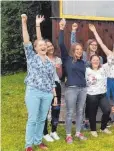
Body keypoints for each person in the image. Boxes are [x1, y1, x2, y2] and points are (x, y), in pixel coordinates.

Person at [21, 14, 56, 151]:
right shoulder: (31, 57)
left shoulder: (50, 63)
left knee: (42, 119)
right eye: (40, 45)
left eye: (44, 46)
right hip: (33, 91)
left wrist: (54, 95)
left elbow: (51, 79)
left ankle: (38, 141)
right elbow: (27, 40)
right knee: (33, 119)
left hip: (47, 94)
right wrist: (25, 23)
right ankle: (28, 145)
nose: (43, 46)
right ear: (35, 48)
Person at [89, 24, 114, 124]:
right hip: (106, 80)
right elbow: (101, 43)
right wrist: (94, 31)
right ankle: (106, 118)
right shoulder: (109, 54)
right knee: (105, 100)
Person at [58, 19, 88, 144]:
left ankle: (78, 132)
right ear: (73, 50)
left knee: (80, 111)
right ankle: (69, 135)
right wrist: (62, 28)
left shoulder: (83, 62)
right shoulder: (67, 59)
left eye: (81, 50)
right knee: (70, 112)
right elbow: (61, 43)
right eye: (77, 49)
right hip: (71, 88)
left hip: (83, 89)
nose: (79, 51)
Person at [34, 15, 63, 142]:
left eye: (50, 45)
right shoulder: (42, 57)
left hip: (56, 84)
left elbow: (60, 76)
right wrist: (38, 25)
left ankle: (54, 131)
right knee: (44, 110)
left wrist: (57, 68)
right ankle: (44, 132)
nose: (49, 47)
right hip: (45, 85)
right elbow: (39, 40)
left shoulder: (57, 59)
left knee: (56, 108)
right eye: (46, 46)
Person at [70, 23, 104, 130]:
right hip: (82, 83)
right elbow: (73, 45)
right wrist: (73, 31)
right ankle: (82, 122)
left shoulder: (100, 59)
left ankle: (88, 121)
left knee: (90, 104)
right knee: (82, 104)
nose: (94, 46)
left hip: (94, 86)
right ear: (88, 45)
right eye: (92, 44)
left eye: (95, 44)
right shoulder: (83, 54)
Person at [85, 55, 112, 137]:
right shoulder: (87, 70)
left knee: (107, 110)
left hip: (102, 94)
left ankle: (103, 128)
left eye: (97, 60)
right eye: (94, 60)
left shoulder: (103, 69)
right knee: (92, 113)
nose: (96, 61)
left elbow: (112, 61)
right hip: (91, 95)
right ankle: (93, 130)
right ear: (90, 61)